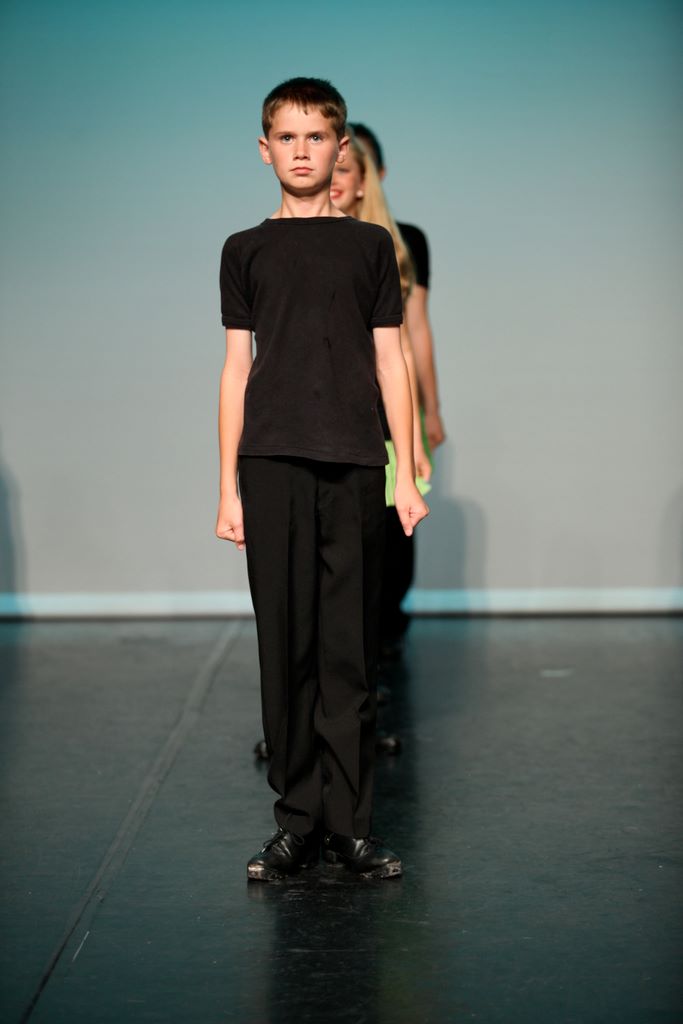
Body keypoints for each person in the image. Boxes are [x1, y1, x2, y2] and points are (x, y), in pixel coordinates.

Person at [216, 78, 429, 881]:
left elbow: (390, 359)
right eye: (287, 137)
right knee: (285, 646)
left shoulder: (369, 247)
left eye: (316, 138)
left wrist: (404, 472)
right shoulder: (244, 249)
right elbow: (235, 371)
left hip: (354, 462)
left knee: (348, 649)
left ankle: (350, 827)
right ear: (263, 148)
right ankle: (296, 820)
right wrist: (226, 486)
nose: (301, 152)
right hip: (271, 461)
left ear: (341, 149)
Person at [349, 123, 445, 655]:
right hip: (342, 401)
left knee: (392, 533)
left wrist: (432, 408)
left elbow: (414, 333)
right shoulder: (319, 239)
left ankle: (381, 646)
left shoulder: (404, 242)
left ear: (372, 176)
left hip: (392, 397)